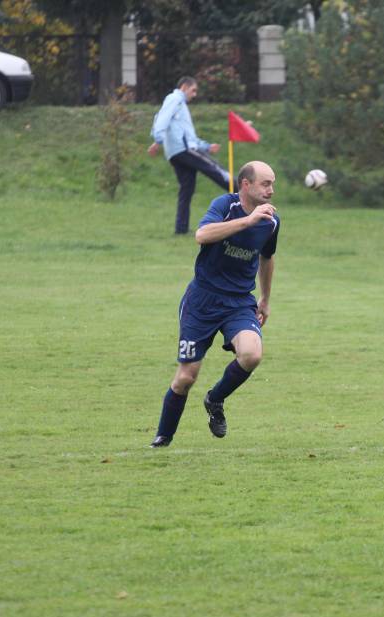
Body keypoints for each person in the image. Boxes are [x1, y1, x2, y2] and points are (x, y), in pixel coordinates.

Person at [149, 161, 280, 448]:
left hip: (238, 303)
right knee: (186, 377)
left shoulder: (271, 221)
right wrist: (247, 221)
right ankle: (163, 439)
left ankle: (215, 399)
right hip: (203, 301)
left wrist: (266, 299)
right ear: (246, 185)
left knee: (251, 355)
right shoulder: (225, 205)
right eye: (265, 184)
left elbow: (267, 258)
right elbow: (202, 235)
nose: (271, 190)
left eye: (272, 184)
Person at [149, 76, 236, 235]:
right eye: (193, 90)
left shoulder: (179, 105)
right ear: (184, 87)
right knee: (216, 170)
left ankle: (181, 229)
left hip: (176, 152)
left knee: (186, 189)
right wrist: (158, 140)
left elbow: (187, 134)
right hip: (183, 149)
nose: (194, 94)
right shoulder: (175, 98)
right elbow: (161, 118)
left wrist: (206, 146)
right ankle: (245, 195)